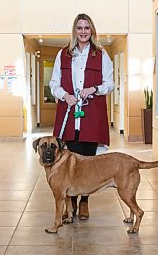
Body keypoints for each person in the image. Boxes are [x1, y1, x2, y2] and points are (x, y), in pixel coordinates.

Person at [49, 13, 114, 220]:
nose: (83, 32)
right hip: (69, 116)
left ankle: (84, 203)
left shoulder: (102, 55)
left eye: (87, 28)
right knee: (68, 163)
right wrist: (65, 95)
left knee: (89, 164)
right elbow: (54, 84)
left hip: (91, 116)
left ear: (92, 31)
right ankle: (71, 206)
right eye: (80, 28)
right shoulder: (63, 54)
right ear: (74, 30)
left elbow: (110, 84)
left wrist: (94, 88)